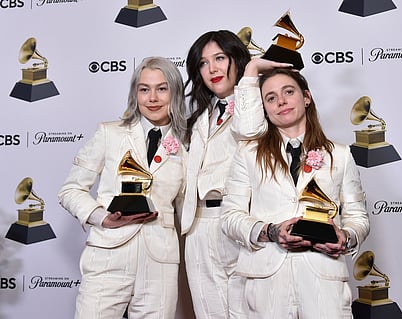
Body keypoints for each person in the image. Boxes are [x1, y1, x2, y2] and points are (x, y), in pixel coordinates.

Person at [221, 68, 370, 319]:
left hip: (324, 276)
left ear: (307, 97)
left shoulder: (341, 155)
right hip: (266, 278)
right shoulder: (247, 154)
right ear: (264, 108)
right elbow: (229, 217)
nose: (281, 101)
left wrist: (346, 236)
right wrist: (270, 231)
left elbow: (359, 218)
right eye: (270, 97)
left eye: (288, 92)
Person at [58, 56, 187, 319]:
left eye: (162, 89)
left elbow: (187, 209)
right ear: (135, 94)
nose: (152, 98)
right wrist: (102, 218)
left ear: (174, 92)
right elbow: (70, 190)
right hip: (108, 254)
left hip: (160, 262)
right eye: (144, 89)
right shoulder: (109, 133)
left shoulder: (188, 145)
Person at [180, 30, 290, 319]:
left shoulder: (259, 106)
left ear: (237, 60)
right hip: (198, 227)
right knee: (208, 311)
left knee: (250, 311)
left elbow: (250, 131)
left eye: (219, 58)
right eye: (203, 63)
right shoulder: (199, 117)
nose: (212, 69)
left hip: (241, 221)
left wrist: (252, 72)